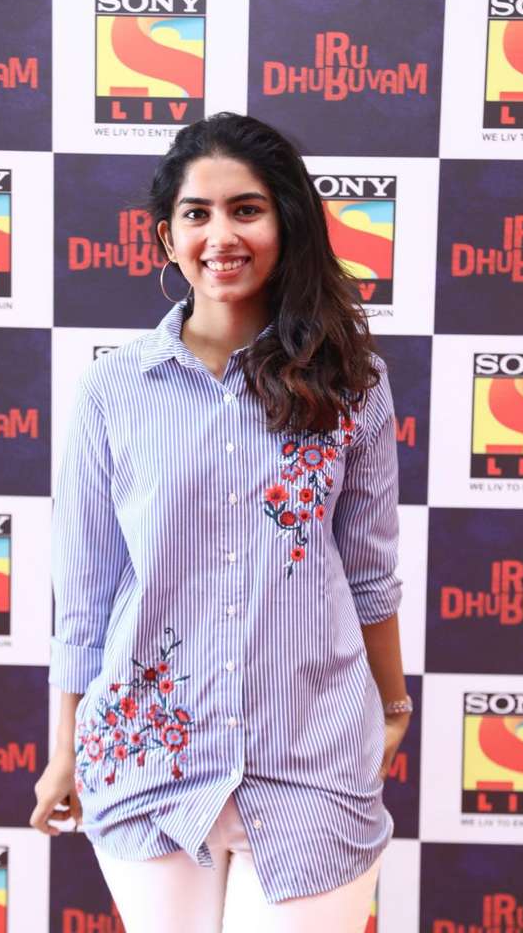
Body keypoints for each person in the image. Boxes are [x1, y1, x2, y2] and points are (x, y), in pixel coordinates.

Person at [30, 112, 411, 932]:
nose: (221, 235)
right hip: (148, 760)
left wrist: (393, 707)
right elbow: (85, 596)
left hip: (312, 763)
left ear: (286, 224)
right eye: (197, 214)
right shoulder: (113, 391)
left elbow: (371, 572)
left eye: (247, 209)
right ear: (167, 238)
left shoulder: (353, 384)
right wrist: (64, 750)